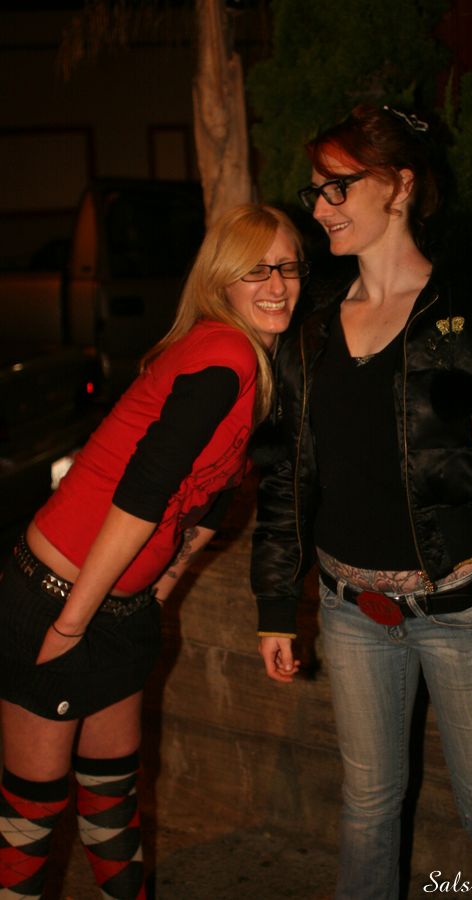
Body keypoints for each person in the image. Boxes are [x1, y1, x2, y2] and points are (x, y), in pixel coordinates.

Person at [251, 106, 472, 898]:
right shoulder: (313, 326)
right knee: (367, 808)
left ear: (401, 185)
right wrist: (276, 602)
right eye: (316, 191)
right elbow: (284, 473)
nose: (322, 208)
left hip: (463, 616)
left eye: (339, 187)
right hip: (349, 610)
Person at [0, 203, 305, 900]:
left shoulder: (249, 364)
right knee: (30, 815)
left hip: (114, 606)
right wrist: (71, 626)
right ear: (220, 279)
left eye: (288, 267)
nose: (277, 284)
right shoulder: (226, 355)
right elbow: (142, 493)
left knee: (112, 797)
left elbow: (210, 500)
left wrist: (155, 593)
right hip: (55, 597)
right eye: (256, 269)